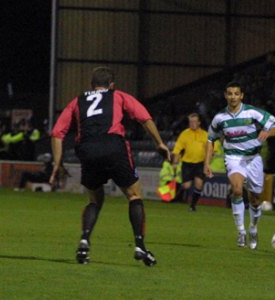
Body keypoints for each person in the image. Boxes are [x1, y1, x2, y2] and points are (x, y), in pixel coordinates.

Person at [49, 66, 171, 266]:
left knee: (94, 201)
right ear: (111, 85)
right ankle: (140, 245)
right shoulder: (119, 96)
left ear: (92, 85)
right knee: (134, 196)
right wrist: (159, 143)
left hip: (87, 149)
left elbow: (57, 133)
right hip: (113, 146)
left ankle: (84, 240)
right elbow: (144, 118)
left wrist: (57, 163)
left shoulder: (76, 101)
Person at [204, 81, 275, 249]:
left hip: (253, 159)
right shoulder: (219, 118)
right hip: (233, 157)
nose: (233, 97)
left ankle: (253, 228)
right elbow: (210, 139)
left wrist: (268, 132)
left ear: (241, 96)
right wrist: (207, 163)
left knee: (255, 199)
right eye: (230, 93)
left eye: (236, 94)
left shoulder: (252, 112)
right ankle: (241, 231)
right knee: (237, 190)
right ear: (225, 96)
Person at [172, 113, 208, 211]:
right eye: (190, 122)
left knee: (199, 184)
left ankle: (193, 205)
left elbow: (212, 150)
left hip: (200, 163)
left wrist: (207, 162)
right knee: (186, 185)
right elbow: (177, 149)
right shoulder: (185, 134)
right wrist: (175, 162)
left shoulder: (205, 135)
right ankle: (176, 196)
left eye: (194, 122)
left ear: (199, 123)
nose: (192, 124)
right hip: (187, 164)